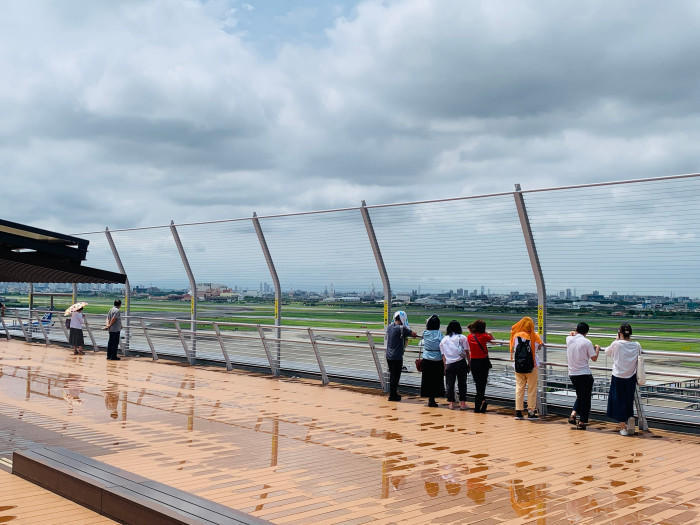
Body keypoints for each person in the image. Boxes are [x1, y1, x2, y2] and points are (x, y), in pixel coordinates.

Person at [605, 323, 642, 436]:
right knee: (628, 401)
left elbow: (607, 352)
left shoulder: (617, 344)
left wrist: (616, 339)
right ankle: (629, 418)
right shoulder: (636, 345)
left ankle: (623, 427)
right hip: (631, 377)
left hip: (618, 377)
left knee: (617, 402)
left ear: (619, 333)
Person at [566, 322, 599, 430]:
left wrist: (573, 333)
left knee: (581, 396)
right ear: (587, 332)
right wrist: (597, 348)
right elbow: (594, 358)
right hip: (584, 374)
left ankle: (573, 414)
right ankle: (582, 422)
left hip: (572, 374)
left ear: (576, 330)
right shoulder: (587, 342)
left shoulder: (568, 339)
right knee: (586, 399)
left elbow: (571, 335)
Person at [510, 316, 543, 420]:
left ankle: (518, 411)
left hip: (518, 366)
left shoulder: (515, 336)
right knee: (531, 389)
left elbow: (513, 348)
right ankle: (531, 411)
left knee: (519, 388)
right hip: (532, 366)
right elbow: (538, 346)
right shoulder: (534, 336)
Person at [385, 311, 417, 401]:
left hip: (389, 356)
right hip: (397, 357)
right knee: (396, 376)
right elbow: (413, 334)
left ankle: (393, 394)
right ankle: (393, 395)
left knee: (392, 375)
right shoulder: (401, 328)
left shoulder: (390, 326)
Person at [440, 320, 470, 410]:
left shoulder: (444, 339)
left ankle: (451, 404)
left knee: (450, 384)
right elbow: (467, 352)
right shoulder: (462, 337)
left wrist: (445, 366)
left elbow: (443, 355)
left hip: (449, 364)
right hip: (461, 363)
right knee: (462, 384)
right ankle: (463, 404)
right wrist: (469, 363)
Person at [467, 319, 494, 413]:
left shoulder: (470, 336)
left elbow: (469, 329)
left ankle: (481, 403)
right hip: (483, 362)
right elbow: (494, 342)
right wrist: (489, 333)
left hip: (473, 362)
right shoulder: (484, 336)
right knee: (482, 384)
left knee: (478, 383)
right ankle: (478, 405)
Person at [419, 314, 445, 407]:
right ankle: (433, 399)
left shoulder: (425, 333)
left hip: (426, 359)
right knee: (437, 380)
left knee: (427, 380)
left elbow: (420, 343)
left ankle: (430, 399)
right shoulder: (439, 334)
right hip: (437, 359)